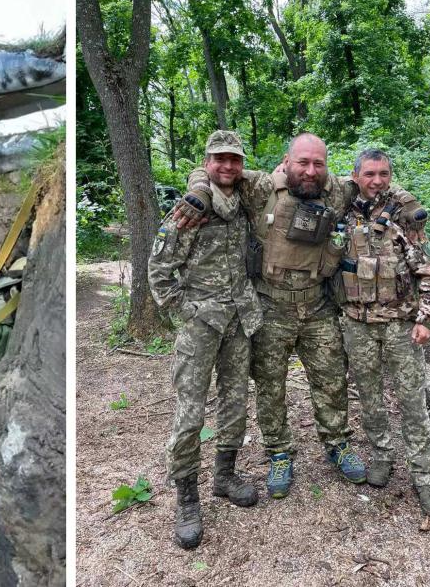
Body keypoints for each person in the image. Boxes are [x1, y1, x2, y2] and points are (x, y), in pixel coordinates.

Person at [175, 133, 366, 499]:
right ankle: (279, 451)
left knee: (331, 380)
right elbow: (213, 171)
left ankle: (337, 443)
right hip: (269, 307)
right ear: (286, 161)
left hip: (317, 306)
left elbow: (378, 184)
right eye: (303, 162)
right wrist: (198, 191)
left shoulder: (339, 192)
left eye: (318, 164)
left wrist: (407, 204)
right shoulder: (261, 187)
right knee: (270, 386)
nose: (310, 171)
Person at [148, 130, 263, 549]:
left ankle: (225, 476)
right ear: (207, 162)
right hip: (200, 325)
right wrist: (186, 309)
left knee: (235, 403)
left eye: (235, 160)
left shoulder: (245, 203)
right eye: (219, 160)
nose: (227, 167)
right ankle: (187, 497)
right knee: (190, 412)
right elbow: (159, 268)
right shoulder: (191, 208)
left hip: (239, 320)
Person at [337, 148, 430, 516]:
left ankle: (424, 474)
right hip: (357, 324)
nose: (377, 180)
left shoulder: (402, 215)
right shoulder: (343, 212)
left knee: (412, 400)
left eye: (384, 173)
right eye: (370, 174)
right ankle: (382, 456)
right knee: (369, 396)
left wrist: (427, 319)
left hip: (401, 324)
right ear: (356, 176)